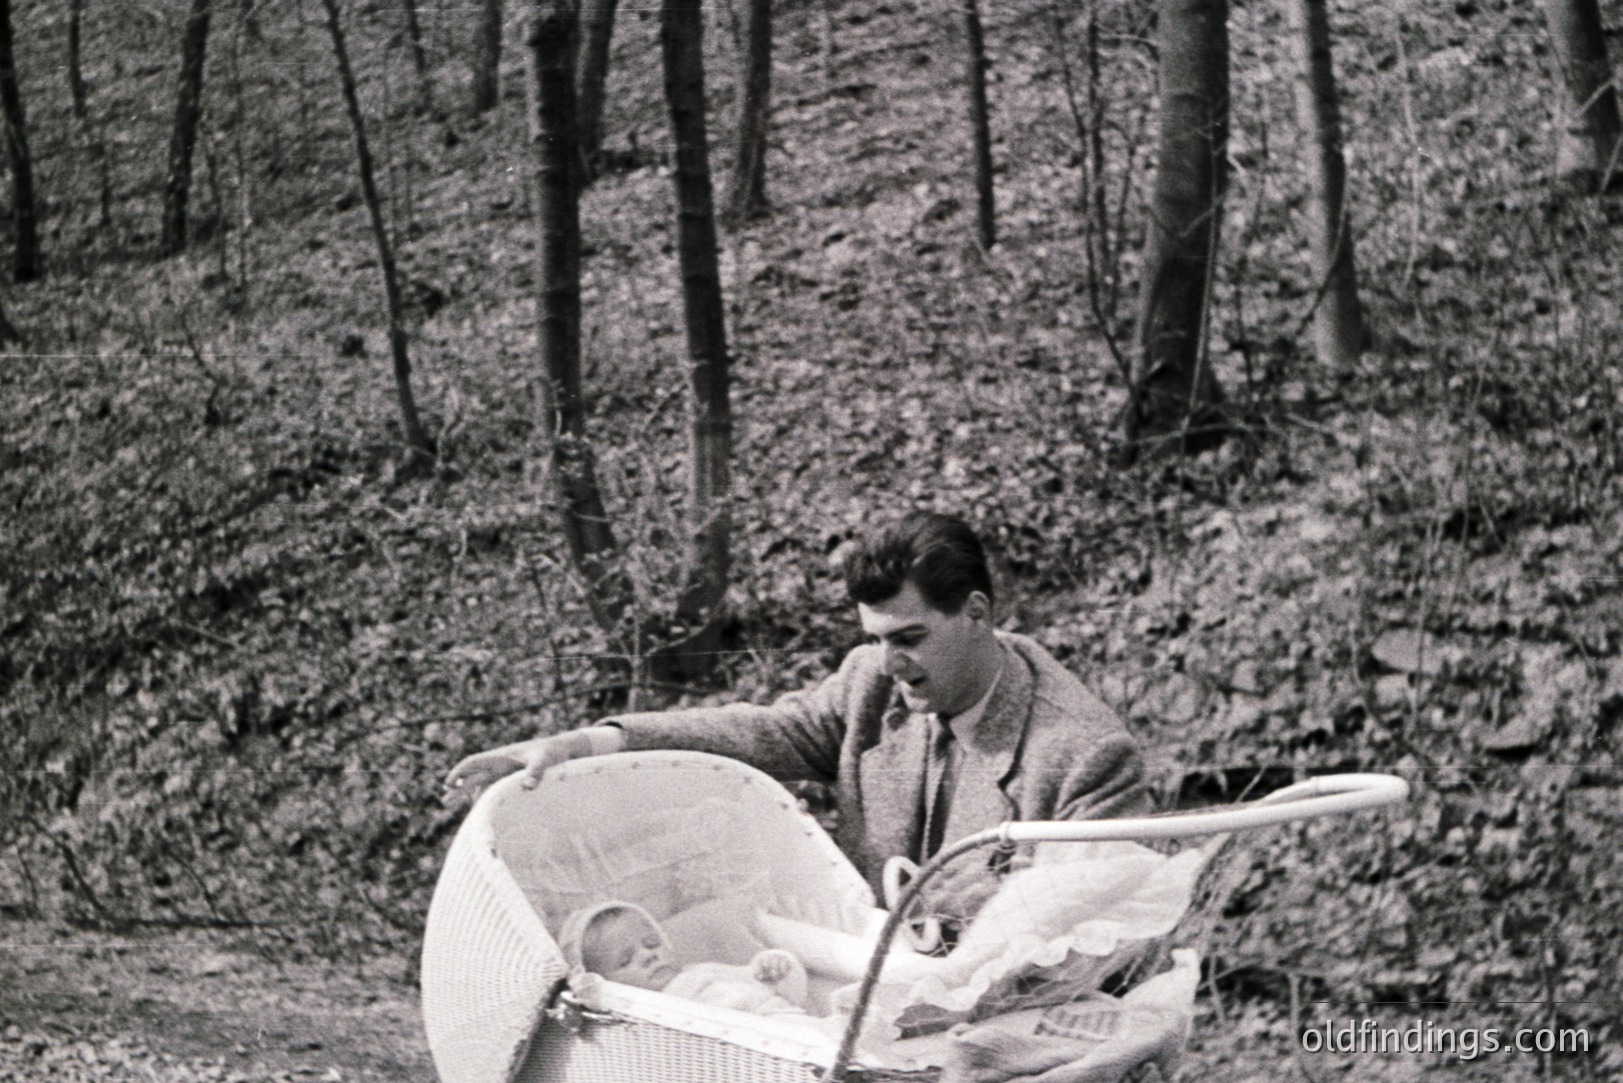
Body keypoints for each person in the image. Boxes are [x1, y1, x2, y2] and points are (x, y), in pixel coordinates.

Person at [444, 511, 1149, 938]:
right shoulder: (872, 680)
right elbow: (762, 733)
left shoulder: (1085, 755)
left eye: (908, 638)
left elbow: (1092, 944)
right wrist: (587, 743)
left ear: (977, 614)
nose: (889, 663)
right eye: (875, 639)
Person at [560, 901, 811, 1017]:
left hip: (783, 1017)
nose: (648, 956)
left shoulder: (701, 970)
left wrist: (773, 966)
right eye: (625, 961)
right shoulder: (648, 1014)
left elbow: (770, 985)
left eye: (652, 943)